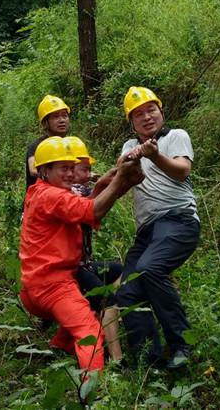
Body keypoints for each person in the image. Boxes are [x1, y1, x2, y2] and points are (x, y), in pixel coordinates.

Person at [19, 137, 143, 372]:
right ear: (44, 170)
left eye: (71, 168)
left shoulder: (41, 192)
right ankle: (93, 394)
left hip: (39, 283)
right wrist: (118, 181)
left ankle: (58, 347)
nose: (70, 174)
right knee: (89, 332)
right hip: (52, 285)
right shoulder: (51, 196)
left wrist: (113, 184)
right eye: (63, 169)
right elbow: (91, 211)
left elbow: (82, 210)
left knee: (87, 298)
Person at [116, 86, 200, 370]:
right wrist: (136, 155)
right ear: (131, 122)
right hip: (147, 232)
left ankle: (181, 346)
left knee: (151, 269)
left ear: (161, 111)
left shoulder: (176, 136)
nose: (147, 117)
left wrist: (154, 156)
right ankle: (148, 360)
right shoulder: (130, 146)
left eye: (151, 110)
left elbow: (181, 170)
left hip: (178, 220)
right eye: (138, 114)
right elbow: (122, 169)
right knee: (127, 292)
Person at [65, 136, 124, 362]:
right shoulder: (69, 191)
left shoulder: (82, 189)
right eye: (83, 170)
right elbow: (90, 207)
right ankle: (117, 358)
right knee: (106, 298)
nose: (88, 174)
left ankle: (106, 322)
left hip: (85, 264)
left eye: (89, 169)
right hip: (72, 268)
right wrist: (115, 181)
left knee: (118, 270)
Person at [24, 95, 71, 187]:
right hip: (40, 197)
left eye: (64, 116)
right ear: (45, 123)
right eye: (56, 117)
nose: (62, 120)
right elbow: (33, 170)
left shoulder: (68, 145)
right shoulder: (37, 146)